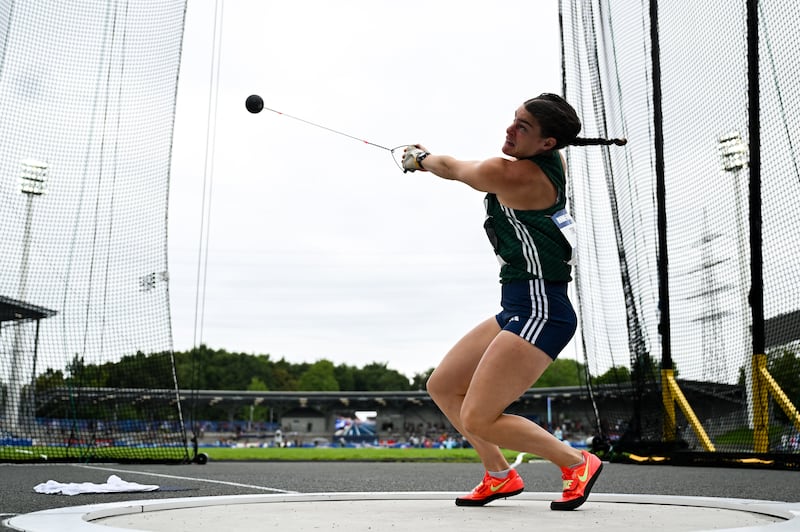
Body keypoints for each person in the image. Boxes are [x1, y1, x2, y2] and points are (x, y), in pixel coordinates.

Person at [402, 93, 625, 511]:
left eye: (523, 127)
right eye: (514, 119)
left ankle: (577, 462)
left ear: (547, 144)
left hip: (542, 309)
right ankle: (499, 475)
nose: (510, 129)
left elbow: (452, 168)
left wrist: (419, 158)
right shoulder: (544, 162)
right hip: (520, 305)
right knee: (443, 385)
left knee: (479, 416)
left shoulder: (516, 177)